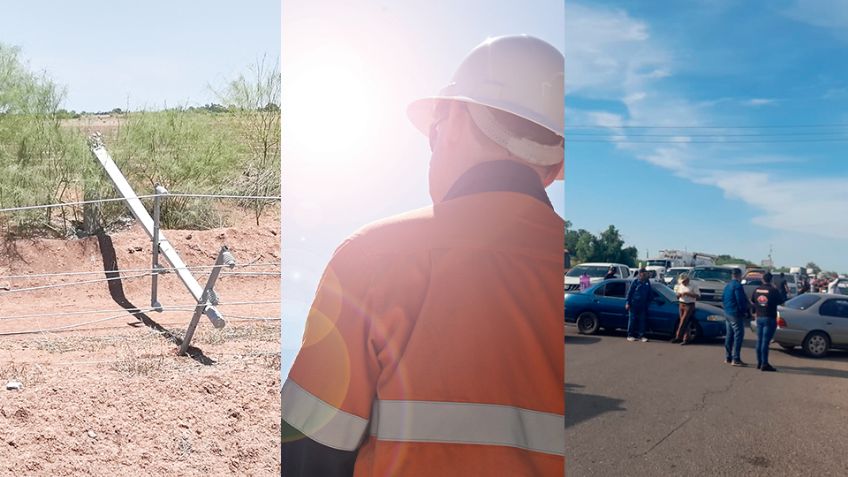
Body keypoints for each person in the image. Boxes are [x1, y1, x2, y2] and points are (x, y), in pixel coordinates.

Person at [281, 35, 565, 476]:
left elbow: (306, 456)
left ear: (455, 119)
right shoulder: (577, 271)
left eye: (433, 131)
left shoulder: (372, 259)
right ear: (553, 168)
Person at [751, 272, 784, 371]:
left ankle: (759, 362)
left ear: (762, 279)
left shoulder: (757, 289)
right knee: (765, 342)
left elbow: (753, 301)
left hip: (759, 317)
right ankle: (764, 364)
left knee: (760, 340)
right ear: (771, 280)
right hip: (769, 318)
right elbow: (781, 301)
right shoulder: (773, 290)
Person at [721, 268, 749, 366]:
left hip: (727, 312)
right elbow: (740, 300)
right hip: (735, 313)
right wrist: (744, 311)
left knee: (729, 335)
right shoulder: (738, 286)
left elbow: (723, 298)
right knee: (738, 335)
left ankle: (728, 357)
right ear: (739, 275)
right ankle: (736, 358)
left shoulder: (727, 285)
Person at [625, 268, 652, 342]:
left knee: (642, 320)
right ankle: (630, 335)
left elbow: (650, 293)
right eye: (644, 273)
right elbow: (630, 293)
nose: (645, 274)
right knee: (632, 320)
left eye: (646, 273)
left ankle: (641, 336)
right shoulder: (635, 281)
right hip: (634, 304)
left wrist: (649, 302)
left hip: (643, 305)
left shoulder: (647, 282)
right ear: (640, 273)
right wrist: (627, 303)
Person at [672, 273, 700, 345]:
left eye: (684, 281)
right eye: (682, 282)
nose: (683, 283)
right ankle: (686, 338)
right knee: (685, 322)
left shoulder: (694, 285)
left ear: (687, 280)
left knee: (683, 321)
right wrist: (678, 295)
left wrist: (688, 294)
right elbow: (677, 294)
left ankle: (678, 337)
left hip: (689, 305)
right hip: (681, 303)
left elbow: (698, 296)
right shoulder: (680, 285)